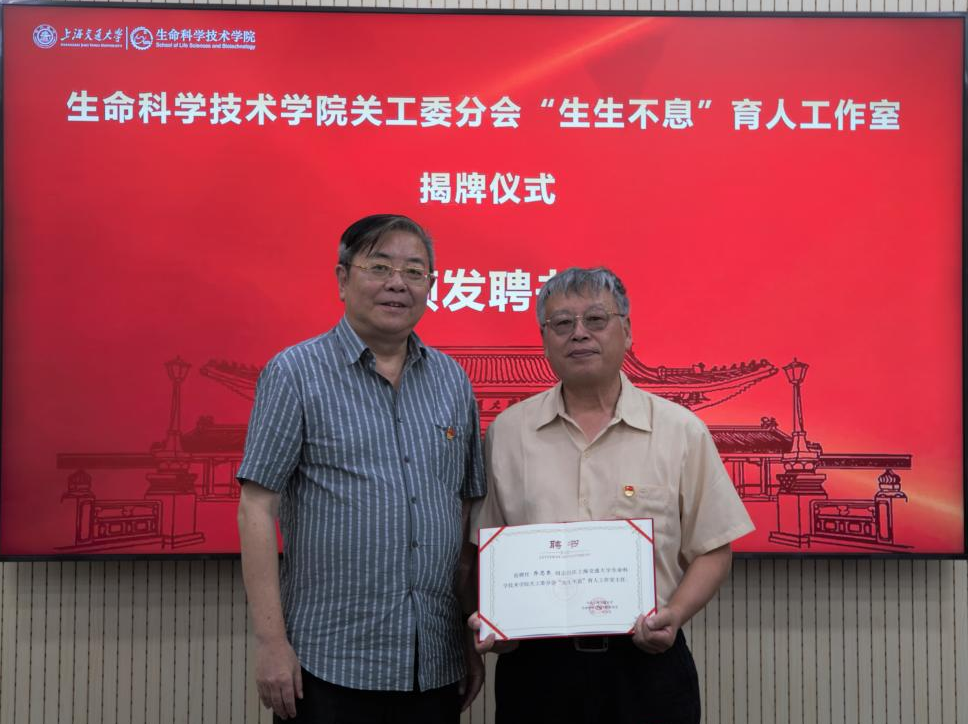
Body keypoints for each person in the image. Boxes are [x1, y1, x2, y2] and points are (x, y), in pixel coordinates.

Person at [470, 266, 754, 724]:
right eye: (562, 323)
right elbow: (487, 550)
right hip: (537, 670)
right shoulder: (507, 433)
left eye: (596, 319)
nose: (579, 333)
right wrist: (495, 617)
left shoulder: (680, 430)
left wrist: (675, 614)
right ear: (544, 340)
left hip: (646, 666)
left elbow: (714, 548)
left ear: (627, 330)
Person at [237, 214, 486, 723]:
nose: (398, 283)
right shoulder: (295, 372)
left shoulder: (452, 380)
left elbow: (462, 512)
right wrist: (271, 642)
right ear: (342, 278)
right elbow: (256, 507)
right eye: (379, 267)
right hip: (329, 659)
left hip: (432, 662)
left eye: (414, 271)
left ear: (431, 285)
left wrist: (464, 631)